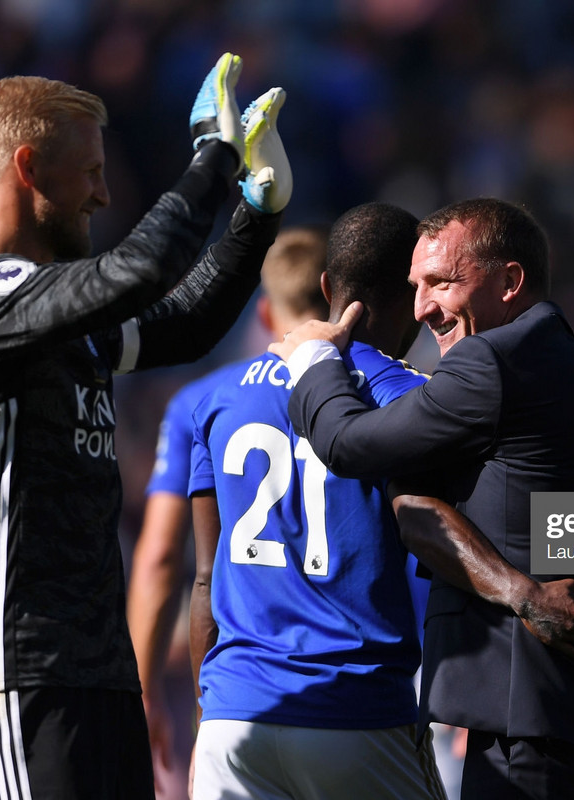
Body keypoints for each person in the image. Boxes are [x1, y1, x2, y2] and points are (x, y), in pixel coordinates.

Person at [0, 53, 291, 799]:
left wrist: (256, 216)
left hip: (96, 670)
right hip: (14, 669)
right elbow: (141, 272)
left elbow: (179, 325)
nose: (104, 193)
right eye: (89, 172)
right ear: (27, 168)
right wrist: (210, 158)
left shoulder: (48, 311)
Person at [272, 197, 574, 800]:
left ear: (510, 282)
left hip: (529, 723)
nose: (423, 306)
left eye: (442, 283)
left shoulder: (490, 363)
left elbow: (349, 444)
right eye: (415, 286)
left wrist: (314, 360)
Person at [173, 202, 448, 800]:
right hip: (356, 708)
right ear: (414, 294)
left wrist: (207, 720)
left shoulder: (218, 398)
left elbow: (202, 579)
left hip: (234, 718)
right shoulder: (408, 395)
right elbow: (447, 532)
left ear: (327, 285)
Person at [126, 224, 331, 795]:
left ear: (265, 313)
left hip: (242, 700)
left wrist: (144, 693)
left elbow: (163, 555)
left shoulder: (200, 401)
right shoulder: (379, 391)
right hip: (354, 697)